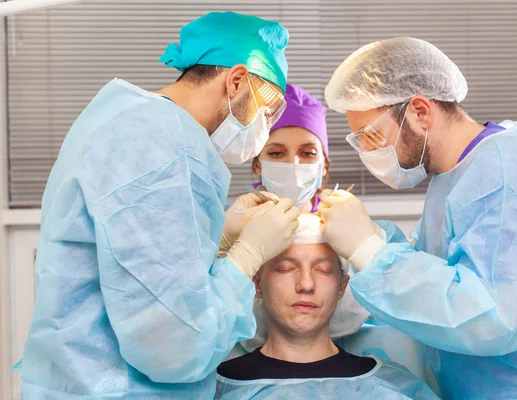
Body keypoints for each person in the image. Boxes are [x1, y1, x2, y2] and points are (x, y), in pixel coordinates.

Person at [18, 12, 301, 399]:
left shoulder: (124, 120)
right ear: (236, 81)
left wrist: (218, 236)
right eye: (268, 110)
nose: (266, 126)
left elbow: (126, 256)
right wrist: (246, 257)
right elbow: (175, 347)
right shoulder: (164, 146)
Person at [319, 37, 517, 399]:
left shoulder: (508, 173)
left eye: (373, 136)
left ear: (420, 112)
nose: (369, 153)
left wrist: (368, 250)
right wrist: (372, 240)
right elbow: (443, 271)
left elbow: (490, 316)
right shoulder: (455, 177)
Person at [215, 214, 440, 400]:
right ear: (258, 284)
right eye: (285, 268)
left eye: (322, 270)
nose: (306, 284)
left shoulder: (391, 387)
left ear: (342, 287)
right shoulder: (216, 388)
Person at [251, 83, 329, 213]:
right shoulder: (231, 221)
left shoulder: (345, 222)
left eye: (308, 153)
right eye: (276, 153)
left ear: (324, 166)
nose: (293, 164)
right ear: (258, 165)